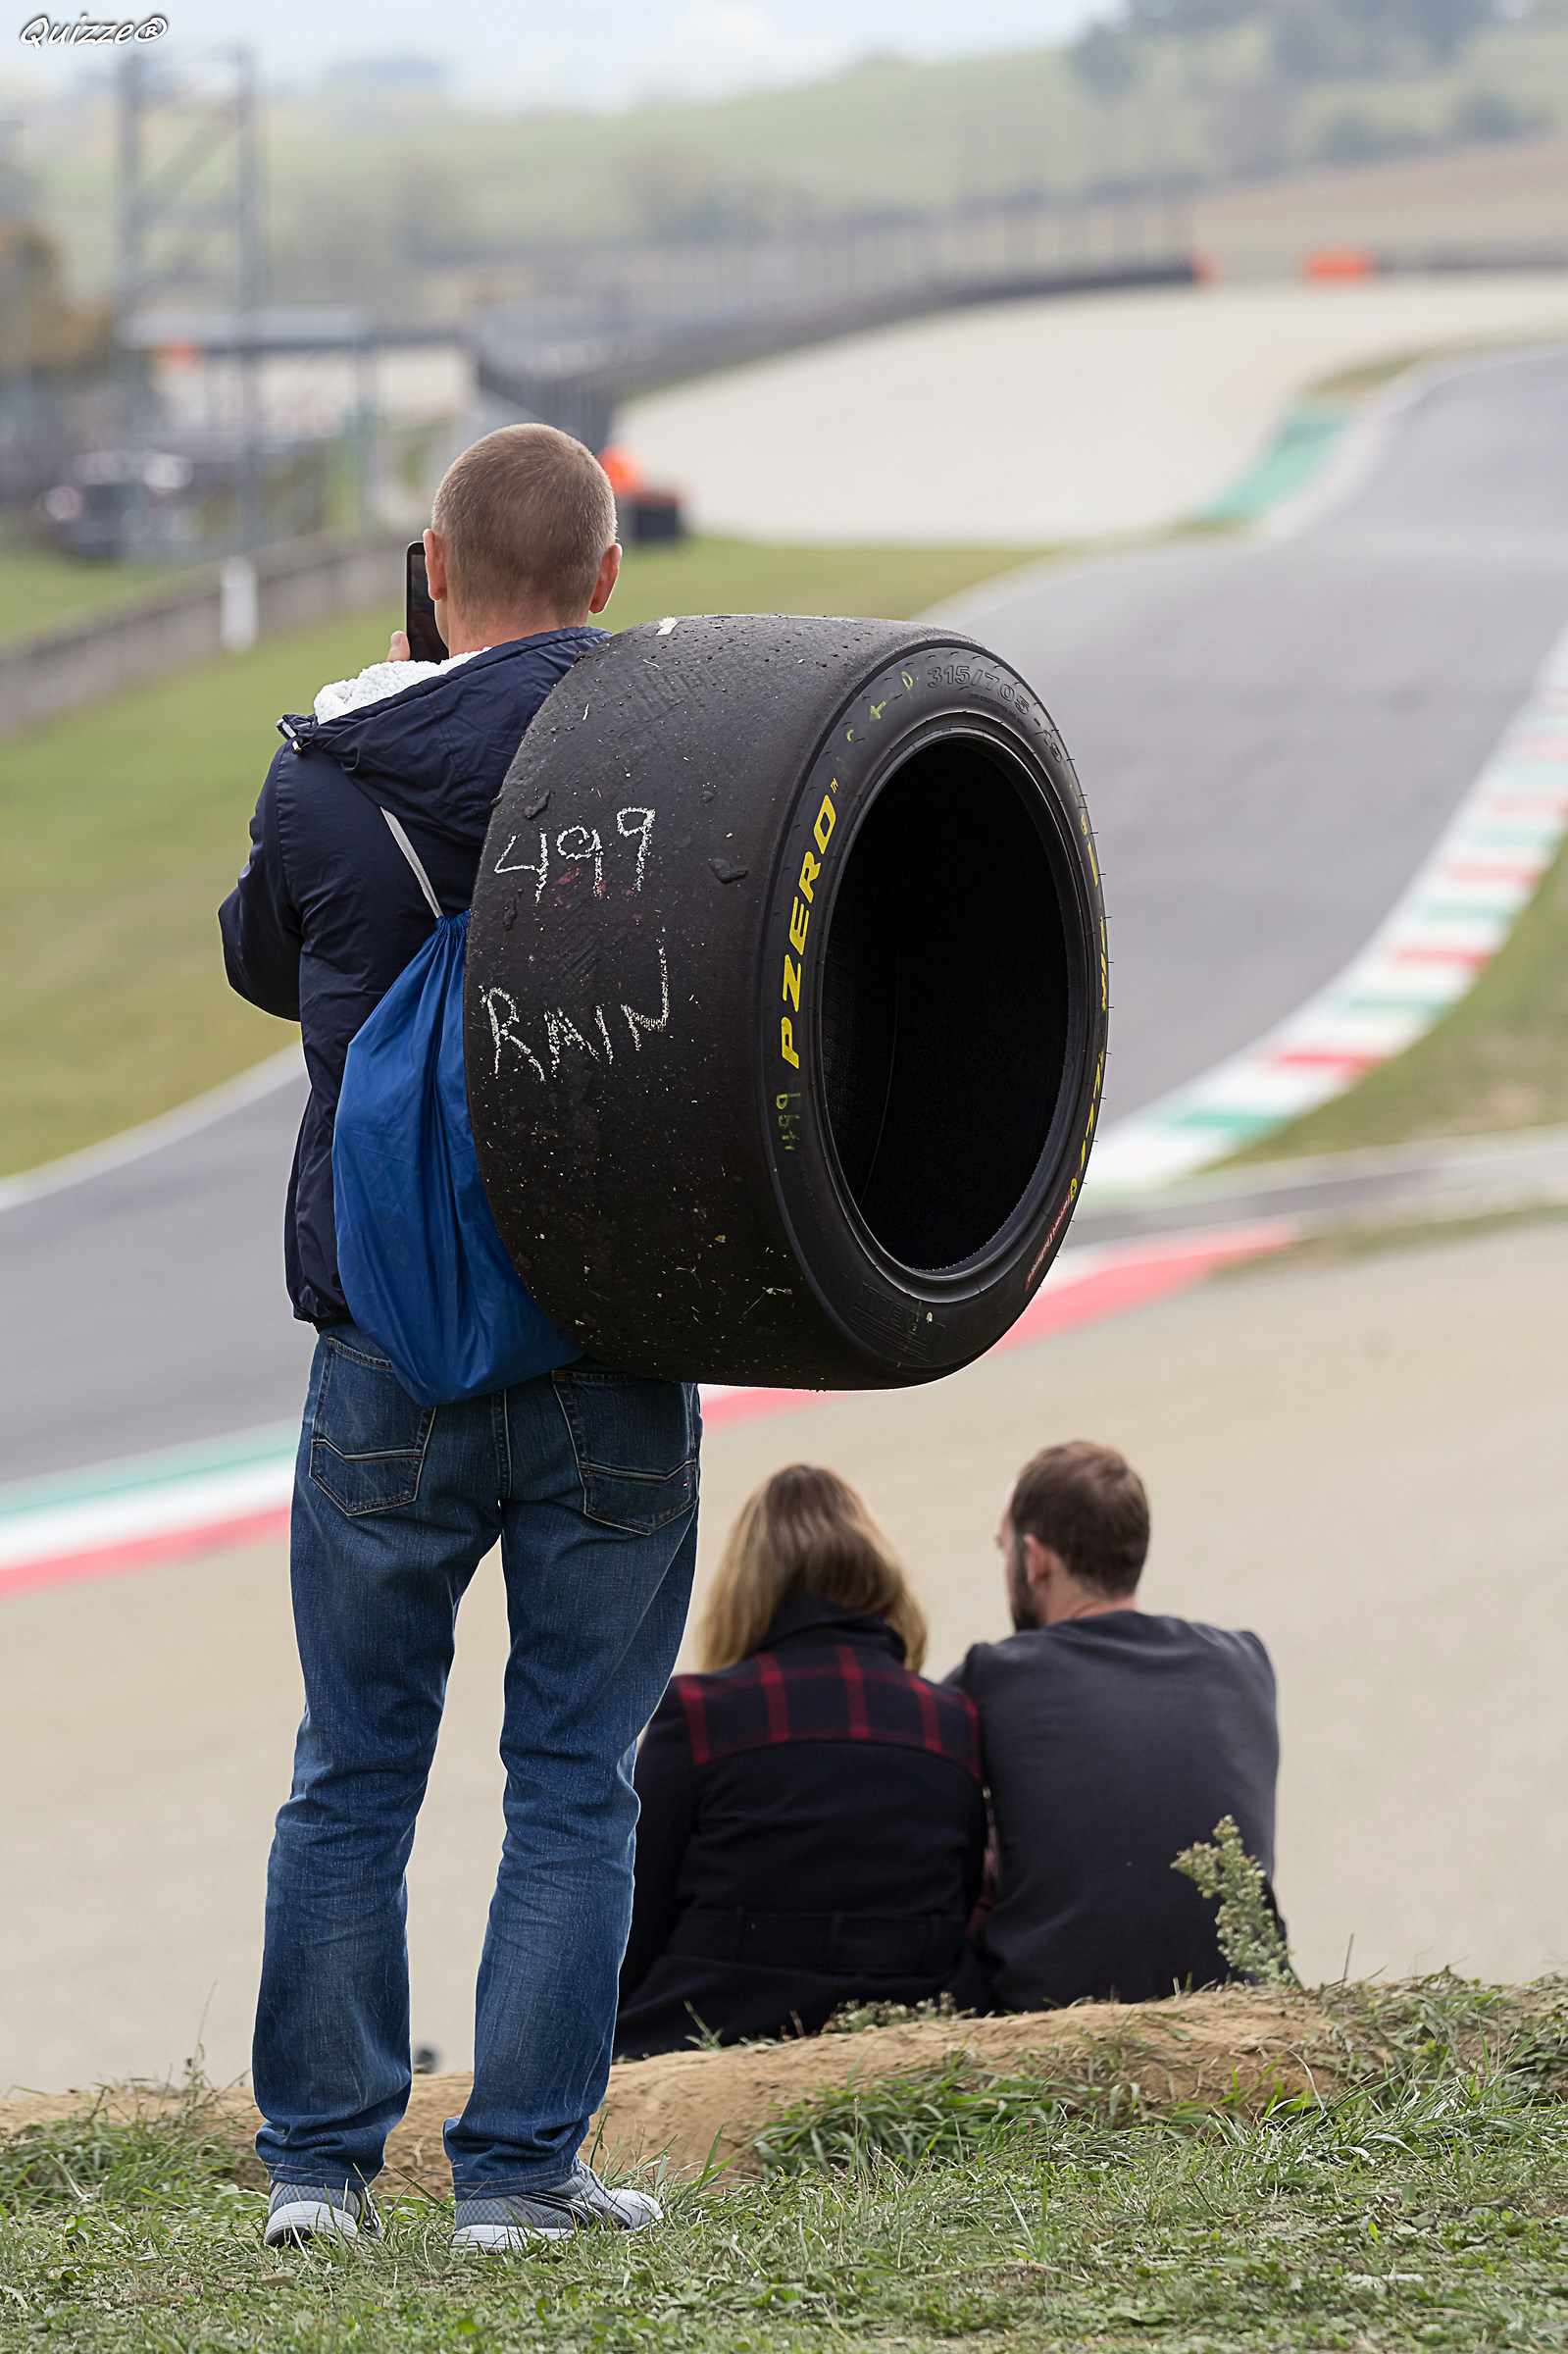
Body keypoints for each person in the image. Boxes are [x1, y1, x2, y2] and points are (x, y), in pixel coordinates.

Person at [220, 424, 701, 2253]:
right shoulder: (665, 762)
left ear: (430, 566)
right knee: (570, 1778)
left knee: (353, 1765)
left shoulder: (321, 778)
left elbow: (264, 959)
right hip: (608, 1332)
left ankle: (317, 2179)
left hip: (386, 1349)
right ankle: (514, 2182)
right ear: (603, 577)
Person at [615, 1464, 986, 2058]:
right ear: (878, 1573)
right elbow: (958, 1903)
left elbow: (633, 1917)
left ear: (747, 1584)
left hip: (710, 2034)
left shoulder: (699, 1715)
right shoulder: (949, 1721)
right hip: (907, 2038)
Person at [948, 1441, 1279, 2013]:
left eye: (1003, 1549)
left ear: (1034, 1559)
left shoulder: (993, 1677)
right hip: (1243, 2007)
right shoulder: (1243, 1663)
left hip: (1051, 2027)